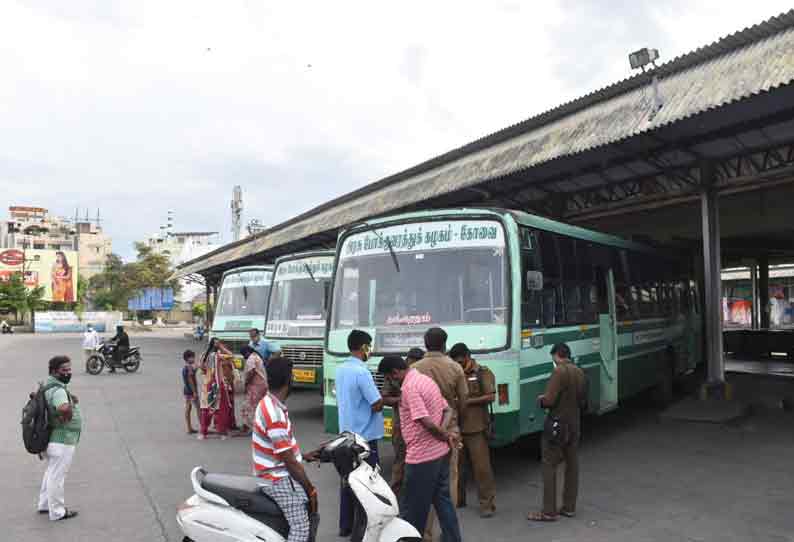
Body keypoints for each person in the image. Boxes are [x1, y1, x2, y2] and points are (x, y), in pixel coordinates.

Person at [378, 355, 461, 542]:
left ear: (395, 373)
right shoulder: (426, 380)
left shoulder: (409, 388)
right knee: (443, 502)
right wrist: (444, 433)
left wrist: (441, 433)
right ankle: (453, 539)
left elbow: (425, 422)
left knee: (412, 510)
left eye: (389, 378)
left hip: (422, 457)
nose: (391, 382)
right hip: (440, 453)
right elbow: (447, 410)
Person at [252, 356, 318, 542]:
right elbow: (288, 461)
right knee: (301, 526)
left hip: (274, 473)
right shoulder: (275, 414)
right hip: (276, 478)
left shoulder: (269, 402)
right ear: (289, 380)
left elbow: (283, 450)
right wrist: (310, 489)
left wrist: (302, 456)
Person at [413, 328, 467, 540]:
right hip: (449, 430)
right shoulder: (455, 368)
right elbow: (463, 400)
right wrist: (454, 421)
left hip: (423, 432)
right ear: (445, 345)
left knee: (423, 483)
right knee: (448, 482)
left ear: (425, 344)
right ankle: (448, 532)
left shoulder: (415, 368)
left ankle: (424, 533)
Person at [528, 342, 587, 522]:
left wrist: (541, 400)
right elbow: (582, 399)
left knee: (549, 465)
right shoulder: (579, 372)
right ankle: (569, 507)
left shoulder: (559, 372)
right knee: (572, 465)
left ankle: (548, 511)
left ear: (557, 355)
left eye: (553, 358)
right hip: (574, 424)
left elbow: (550, 400)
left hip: (557, 426)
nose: (553, 361)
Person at [335, 329, 384, 537]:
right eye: (369, 346)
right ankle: (364, 528)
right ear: (364, 348)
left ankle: (345, 525)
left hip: (345, 436)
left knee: (348, 480)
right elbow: (376, 403)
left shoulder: (341, 369)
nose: (370, 351)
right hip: (365, 438)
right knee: (367, 484)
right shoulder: (362, 372)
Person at [449, 343, 496, 517]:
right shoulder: (454, 373)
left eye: (461, 362)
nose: (459, 365)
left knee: (481, 469)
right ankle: (459, 500)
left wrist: (466, 401)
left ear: (468, 357)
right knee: (457, 469)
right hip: (456, 428)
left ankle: (487, 504)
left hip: (476, 428)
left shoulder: (482, 372)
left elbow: (491, 396)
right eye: (456, 363)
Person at [38, 356, 81, 521]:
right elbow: (62, 408)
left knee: (51, 473)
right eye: (64, 370)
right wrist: (70, 406)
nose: (68, 373)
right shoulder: (58, 390)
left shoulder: (48, 385)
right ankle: (57, 511)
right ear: (55, 371)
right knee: (57, 476)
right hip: (62, 439)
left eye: (69, 369)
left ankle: (44, 504)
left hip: (52, 439)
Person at [381, 347, 424, 495]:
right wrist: (402, 400)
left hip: (422, 424)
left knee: (421, 461)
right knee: (400, 460)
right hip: (401, 424)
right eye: (412, 362)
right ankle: (395, 496)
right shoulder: (393, 375)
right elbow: (384, 398)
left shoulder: (421, 374)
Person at [204, 339, 236, 440]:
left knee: (209, 407)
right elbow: (231, 355)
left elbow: (202, 367)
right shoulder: (217, 356)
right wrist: (222, 348)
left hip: (209, 383)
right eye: (218, 343)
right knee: (222, 408)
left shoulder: (206, 355)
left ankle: (203, 431)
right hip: (218, 384)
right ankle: (221, 432)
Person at [239, 344, 268, 434]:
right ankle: (260, 426)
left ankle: (250, 427)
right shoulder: (257, 356)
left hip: (256, 386)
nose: (244, 357)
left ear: (247, 352)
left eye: (244, 355)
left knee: (248, 406)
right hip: (262, 385)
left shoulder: (251, 359)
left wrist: (246, 382)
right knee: (258, 407)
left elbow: (251, 372)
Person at [182, 350, 199, 434]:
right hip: (191, 391)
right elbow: (190, 380)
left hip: (186, 390)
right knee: (199, 408)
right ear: (188, 358)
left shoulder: (186, 366)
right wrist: (195, 392)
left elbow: (194, 369)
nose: (194, 358)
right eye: (192, 357)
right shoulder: (189, 367)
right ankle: (203, 427)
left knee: (188, 408)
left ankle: (189, 428)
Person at [196, 349, 212, 440]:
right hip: (208, 387)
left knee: (209, 410)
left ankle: (204, 430)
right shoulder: (207, 357)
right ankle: (204, 430)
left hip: (211, 386)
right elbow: (200, 366)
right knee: (206, 410)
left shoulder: (215, 357)